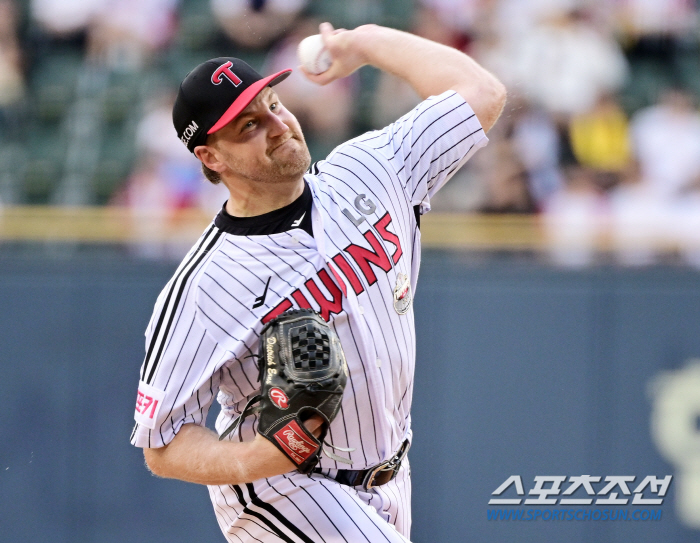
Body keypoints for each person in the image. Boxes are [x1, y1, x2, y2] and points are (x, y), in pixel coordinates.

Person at [130, 22, 505, 542]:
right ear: (210, 158)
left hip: (392, 472)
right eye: (248, 126)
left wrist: (367, 43)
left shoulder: (369, 169)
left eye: (273, 105)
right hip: (286, 489)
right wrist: (256, 459)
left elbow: (482, 94)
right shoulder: (206, 284)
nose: (277, 125)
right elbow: (163, 446)